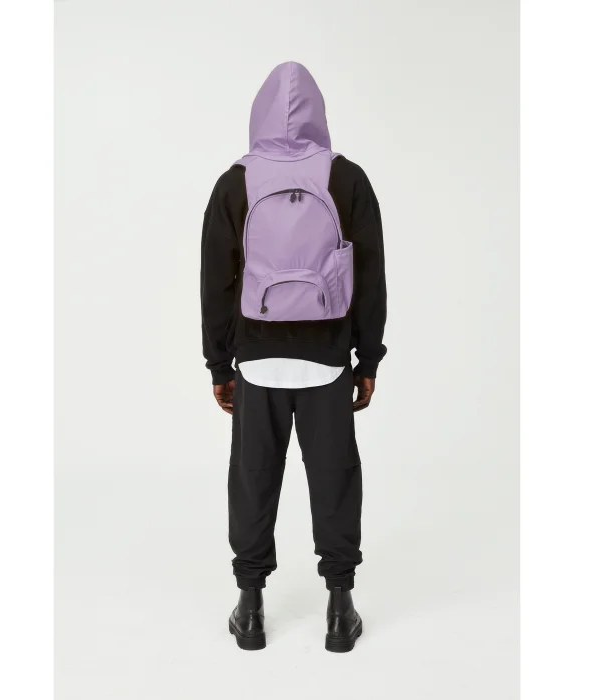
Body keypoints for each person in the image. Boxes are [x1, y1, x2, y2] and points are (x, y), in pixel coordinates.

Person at [200, 62, 386, 653]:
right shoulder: (346, 177)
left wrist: (219, 364)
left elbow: (215, 282)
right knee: (335, 477)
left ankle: (250, 606)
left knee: (254, 477)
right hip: (327, 359)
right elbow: (371, 277)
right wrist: (368, 359)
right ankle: (340, 606)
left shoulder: (235, 181)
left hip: (256, 361)